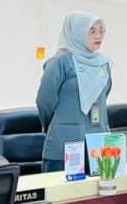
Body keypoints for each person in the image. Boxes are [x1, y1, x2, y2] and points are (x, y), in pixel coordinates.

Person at [36, 12, 112, 171]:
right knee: (61, 186)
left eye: (101, 31)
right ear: (77, 33)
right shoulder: (60, 62)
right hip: (65, 141)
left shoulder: (103, 63)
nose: (98, 36)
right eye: (92, 31)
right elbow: (45, 102)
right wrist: (58, 124)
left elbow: (103, 96)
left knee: (101, 185)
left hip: (98, 141)